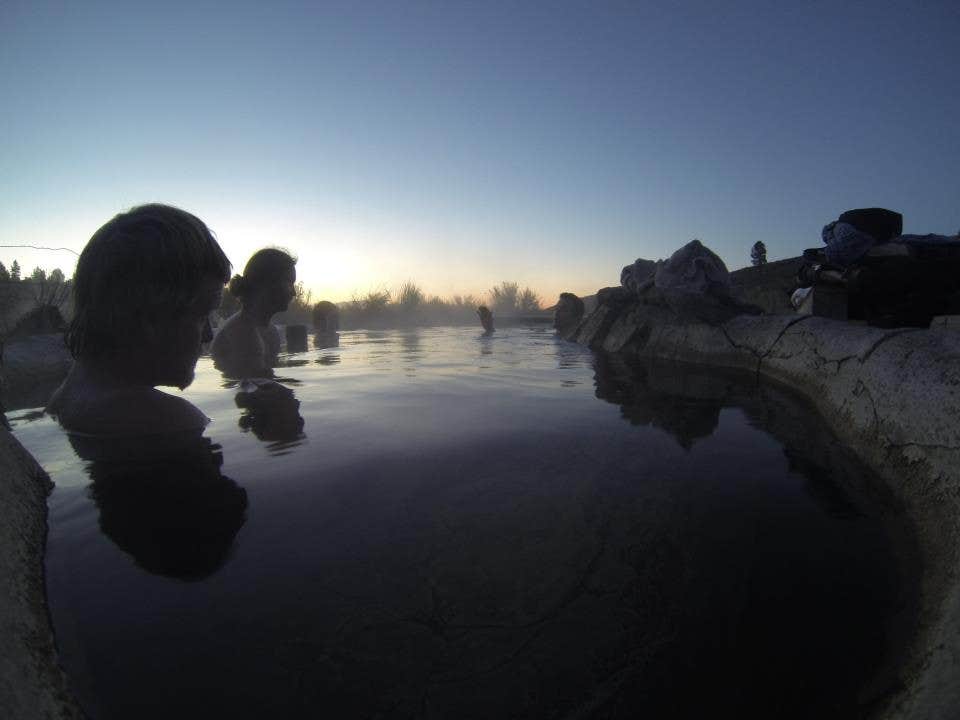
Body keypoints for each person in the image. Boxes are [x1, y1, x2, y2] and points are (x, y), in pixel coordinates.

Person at [47, 204, 231, 435]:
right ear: (151, 317)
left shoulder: (63, 400)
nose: (208, 334)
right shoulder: (167, 420)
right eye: (201, 315)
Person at [211, 248, 297, 378]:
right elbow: (255, 390)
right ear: (266, 284)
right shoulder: (242, 332)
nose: (294, 293)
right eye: (289, 283)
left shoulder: (269, 331)